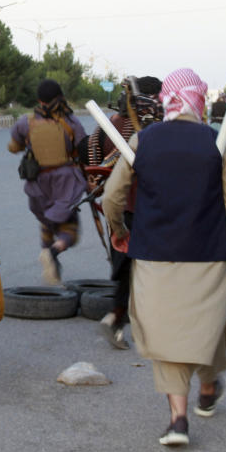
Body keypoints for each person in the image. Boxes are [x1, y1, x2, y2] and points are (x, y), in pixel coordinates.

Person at [103, 68, 226, 447]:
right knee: (205, 325)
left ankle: (178, 420)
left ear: (166, 100)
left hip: (156, 256)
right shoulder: (217, 142)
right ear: (200, 99)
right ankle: (207, 387)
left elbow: (111, 198)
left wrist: (120, 232)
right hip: (209, 256)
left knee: (168, 333)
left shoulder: (143, 141)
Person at [78, 76, 163, 349]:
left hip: (117, 207)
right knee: (145, 270)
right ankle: (130, 322)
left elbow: (88, 157)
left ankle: (118, 318)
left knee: (124, 267)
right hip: (146, 208)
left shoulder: (110, 125)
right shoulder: (154, 129)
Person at [8, 79, 87, 284]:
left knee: (46, 220)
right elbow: (83, 149)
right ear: (60, 97)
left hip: (38, 182)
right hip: (66, 181)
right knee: (70, 227)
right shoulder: (71, 122)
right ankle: (53, 251)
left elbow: (13, 147)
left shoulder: (26, 122)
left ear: (39, 101)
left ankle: (47, 252)